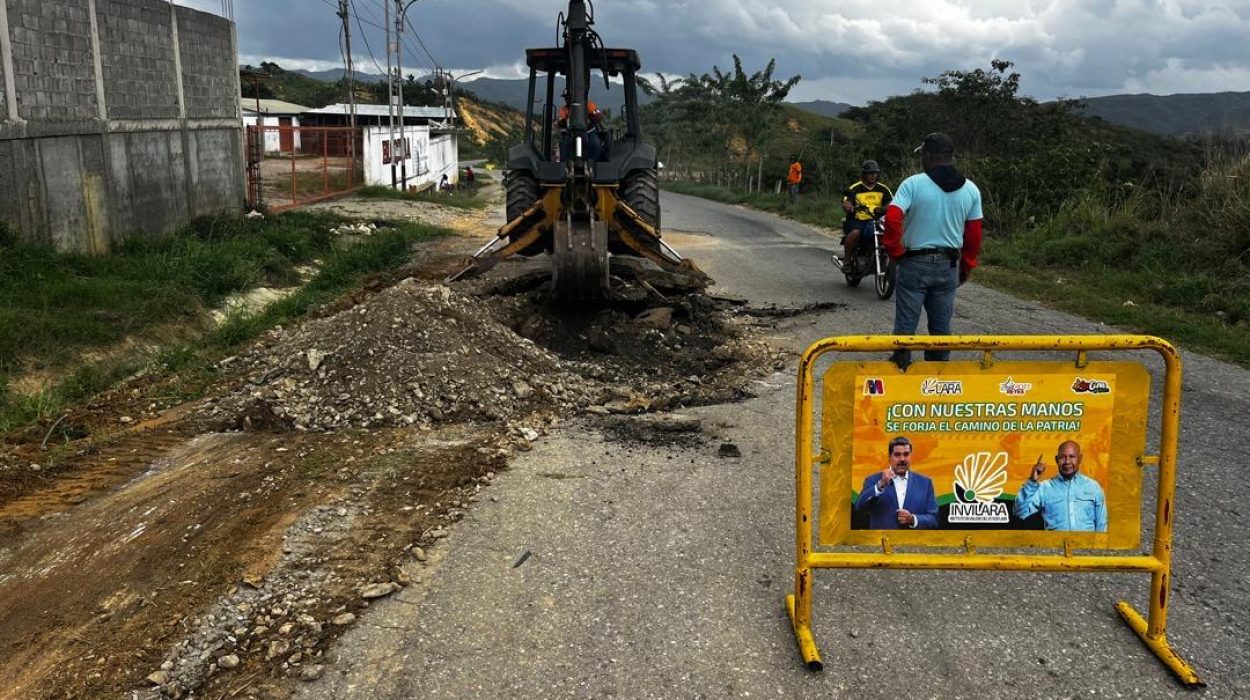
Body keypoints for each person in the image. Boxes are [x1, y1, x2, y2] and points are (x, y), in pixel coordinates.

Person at [882, 133, 983, 369]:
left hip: (915, 262)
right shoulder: (971, 189)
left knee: (906, 325)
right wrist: (967, 265)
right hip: (948, 265)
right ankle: (937, 377)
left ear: (927, 156)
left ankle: (901, 370)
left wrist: (896, 252)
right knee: (940, 327)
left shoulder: (912, 184)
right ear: (949, 157)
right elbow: (974, 234)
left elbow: (893, 218)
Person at [1013, 441, 1107, 532]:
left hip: (1085, 547)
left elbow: (1102, 525)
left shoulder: (1093, 487)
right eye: (1062, 457)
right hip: (1055, 547)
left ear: (1080, 458)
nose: (1067, 461)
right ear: (1056, 460)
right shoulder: (1044, 488)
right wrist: (1032, 480)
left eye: (1072, 456)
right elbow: (1020, 512)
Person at [854, 436, 939, 529]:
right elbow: (858, 507)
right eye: (897, 455)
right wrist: (880, 485)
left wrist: (913, 519)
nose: (902, 459)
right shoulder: (873, 480)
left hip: (913, 542)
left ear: (911, 456)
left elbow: (934, 520)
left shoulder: (925, 483)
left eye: (906, 454)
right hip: (882, 541)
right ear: (889, 457)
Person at [840, 160, 893, 266]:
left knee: (891, 233)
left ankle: (890, 260)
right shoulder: (855, 188)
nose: (873, 175)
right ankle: (847, 260)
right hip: (858, 219)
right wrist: (848, 206)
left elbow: (892, 202)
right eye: (870, 173)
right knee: (855, 233)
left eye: (875, 173)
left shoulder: (883, 189)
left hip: (876, 219)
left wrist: (884, 208)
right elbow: (847, 202)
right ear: (864, 174)